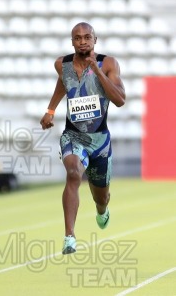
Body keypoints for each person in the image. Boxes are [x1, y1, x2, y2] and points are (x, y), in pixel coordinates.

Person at [40, 22, 126, 255]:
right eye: (77, 38)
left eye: (87, 37)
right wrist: (50, 110)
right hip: (73, 135)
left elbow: (119, 100)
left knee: (102, 197)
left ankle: (101, 209)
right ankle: (69, 236)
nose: (82, 41)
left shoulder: (108, 63)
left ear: (94, 40)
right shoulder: (62, 64)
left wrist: (97, 72)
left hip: (99, 141)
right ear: (72, 42)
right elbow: (64, 82)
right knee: (73, 172)